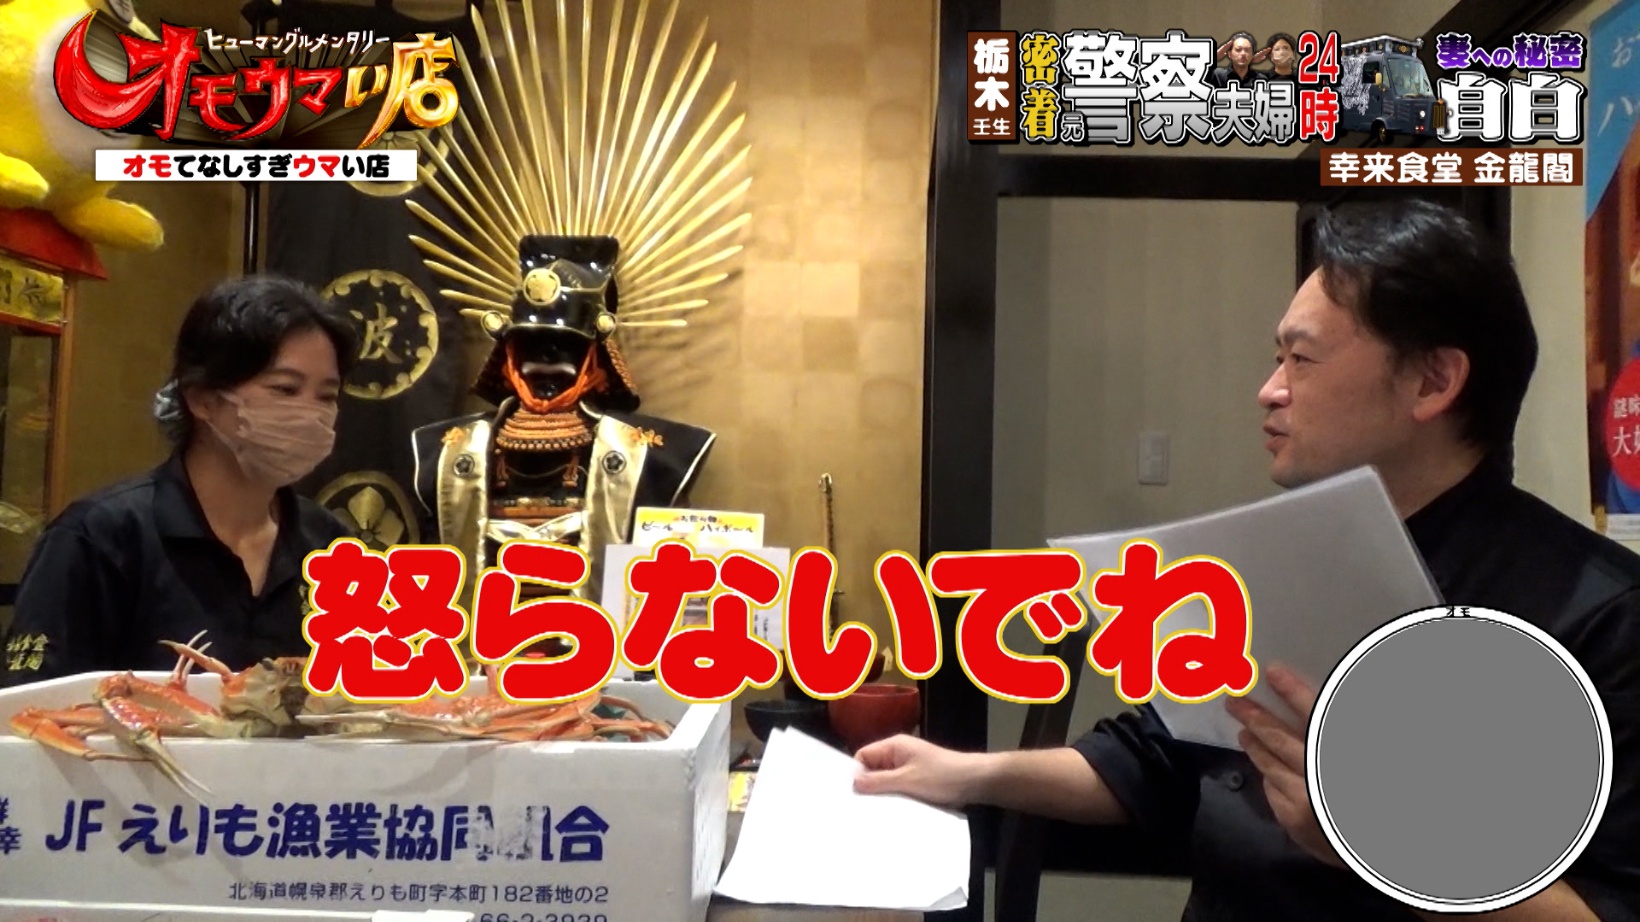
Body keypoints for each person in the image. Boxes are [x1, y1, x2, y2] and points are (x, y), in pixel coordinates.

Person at [854, 200, 1640, 920]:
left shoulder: (1603, 616)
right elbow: (1151, 756)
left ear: (1433, 381)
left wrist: (1383, 845)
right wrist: (964, 773)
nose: (1268, 390)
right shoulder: (1289, 558)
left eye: (1301, 360)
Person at [0, 274, 356, 686]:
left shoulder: (331, 544)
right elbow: (30, 707)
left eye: (327, 396)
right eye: (285, 389)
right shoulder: (100, 538)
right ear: (202, 398)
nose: (310, 414)